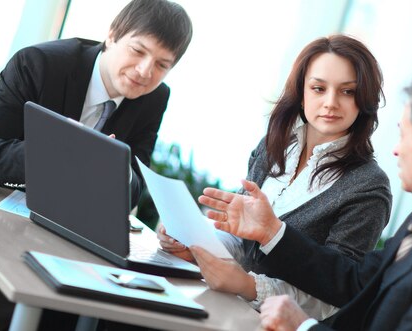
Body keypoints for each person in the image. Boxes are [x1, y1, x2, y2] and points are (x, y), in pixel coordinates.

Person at [195, 75, 412, 330]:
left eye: (403, 136)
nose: (395, 150)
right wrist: (271, 232)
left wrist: (303, 327)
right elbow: (355, 281)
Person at [158, 34, 392, 320]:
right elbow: (241, 241)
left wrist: (248, 286)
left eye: (347, 92)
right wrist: (194, 246)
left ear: (364, 99)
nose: (331, 102)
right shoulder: (274, 145)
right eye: (318, 88)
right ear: (301, 91)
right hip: (219, 307)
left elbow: (337, 293)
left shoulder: (368, 186)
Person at [0, 0, 192, 208]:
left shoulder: (154, 98)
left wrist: (120, 169)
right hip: (4, 205)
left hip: (73, 219)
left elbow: (133, 191)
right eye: (137, 51)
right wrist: (55, 151)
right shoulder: (39, 64)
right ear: (111, 36)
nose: (145, 71)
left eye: (162, 65)